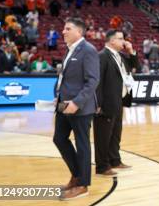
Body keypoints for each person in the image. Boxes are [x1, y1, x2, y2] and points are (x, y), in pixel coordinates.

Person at [52, 17, 100, 200]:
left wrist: (76, 102)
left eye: (67, 28)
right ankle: (77, 174)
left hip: (80, 107)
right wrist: (59, 94)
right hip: (64, 105)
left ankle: (83, 185)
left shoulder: (88, 50)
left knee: (82, 145)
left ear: (79, 32)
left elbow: (93, 81)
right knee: (59, 139)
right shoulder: (70, 50)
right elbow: (66, 78)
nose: (63, 31)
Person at [94, 30, 139, 176]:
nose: (124, 41)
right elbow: (97, 82)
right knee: (103, 136)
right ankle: (102, 167)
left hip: (118, 101)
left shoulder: (119, 56)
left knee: (115, 133)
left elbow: (134, 66)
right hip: (105, 103)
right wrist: (97, 104)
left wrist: (131, 51)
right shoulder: (102, 56)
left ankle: (114, 160)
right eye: (121, 39)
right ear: (111, 41)